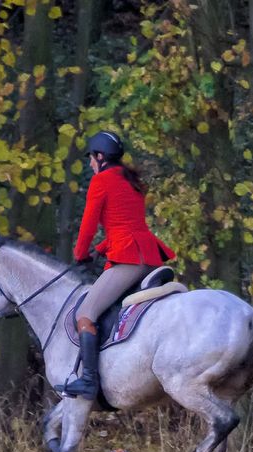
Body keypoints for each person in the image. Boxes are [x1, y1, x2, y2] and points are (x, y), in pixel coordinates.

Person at [63, 130, 176, 400]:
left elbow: (89, 226)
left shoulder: (101, 181)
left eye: (91, 158)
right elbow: (126, 226)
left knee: (86, 314)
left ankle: (89, 381)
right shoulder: (130, 181)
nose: (91, 163)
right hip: (148, 254)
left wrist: (80, 254)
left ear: (100, 157)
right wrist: (101, 250)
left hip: (129, 259)